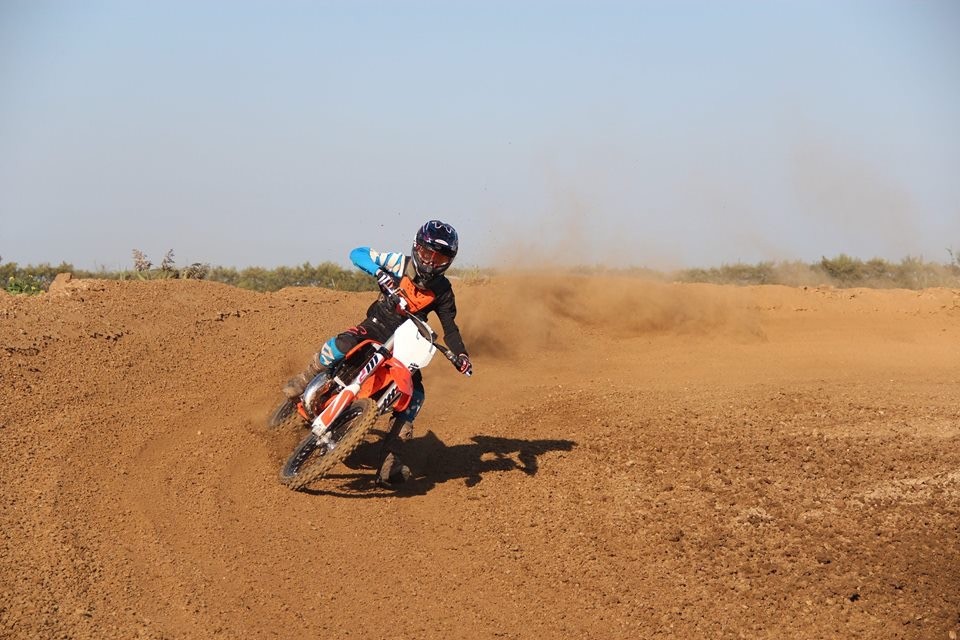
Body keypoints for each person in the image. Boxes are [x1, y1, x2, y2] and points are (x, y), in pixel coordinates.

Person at [282, 220, 473, 487]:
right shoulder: (399, 263)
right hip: (376, 326)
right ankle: (304, 378)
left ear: (448, 261)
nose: (431, 262)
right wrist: (379, 272)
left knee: (416, 395)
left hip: (404, 342)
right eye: (427, 253)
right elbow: (358, 254)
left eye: (439, 258)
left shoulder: (443, 291)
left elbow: (450, 328)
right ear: (417, 248)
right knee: (343, 344)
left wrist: (461, 355)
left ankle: (390, 462)